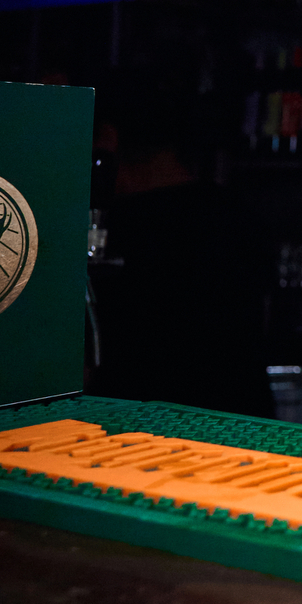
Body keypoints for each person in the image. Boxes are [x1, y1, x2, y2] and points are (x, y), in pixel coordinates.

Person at [88, 73, 273, 417]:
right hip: (240, 421)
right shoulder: (239, 213)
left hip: (134, 425)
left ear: (107, 140)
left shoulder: (112, 227)